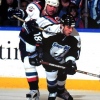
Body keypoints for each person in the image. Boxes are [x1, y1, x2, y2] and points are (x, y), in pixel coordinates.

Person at [40, 14, 81, 100]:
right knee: (52, 73)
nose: (71, 30)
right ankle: (52, 92)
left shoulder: (75, 36)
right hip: (48, 55)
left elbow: (74, 52)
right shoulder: (51, 30)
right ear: (62, 25)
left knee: (63, 71)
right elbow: (40, 42)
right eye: (68, 27)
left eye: (72, 27)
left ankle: (61, 91)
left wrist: (70, 62)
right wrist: (39, 53)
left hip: (63, 57)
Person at [18, 0, 44, 100]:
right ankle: (34, 90)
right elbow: (28, 12)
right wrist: (19, 12)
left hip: (45, 39)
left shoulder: (52, 4)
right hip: (28, 39)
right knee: (28, 63)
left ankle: (58, 90)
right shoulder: (34, 4)